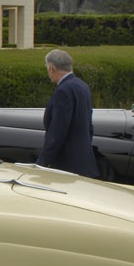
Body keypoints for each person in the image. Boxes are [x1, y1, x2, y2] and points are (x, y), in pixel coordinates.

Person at [36, 49, 100, 177]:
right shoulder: (82, 86)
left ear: (52, 68)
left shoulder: (63, 91)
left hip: (67, 163)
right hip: (84, 159)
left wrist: (41, 163)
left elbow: (58, 131)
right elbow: (89, 126)